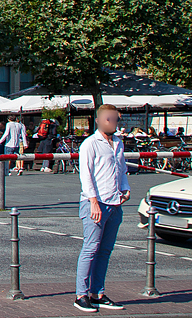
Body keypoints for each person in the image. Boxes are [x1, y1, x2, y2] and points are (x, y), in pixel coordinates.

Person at [74, 104, 129, 312]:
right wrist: (93, 201)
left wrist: (125, 188)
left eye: (114, 119)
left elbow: (121, 169)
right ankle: (81, 295)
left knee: (105, 250)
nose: (112, 122)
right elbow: (85, 175)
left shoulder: (118, 143)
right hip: (96, 203)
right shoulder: (90, 144)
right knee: (90, 248)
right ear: (98, 120)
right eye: (108, 119)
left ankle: (97, 293)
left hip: (115, 203)